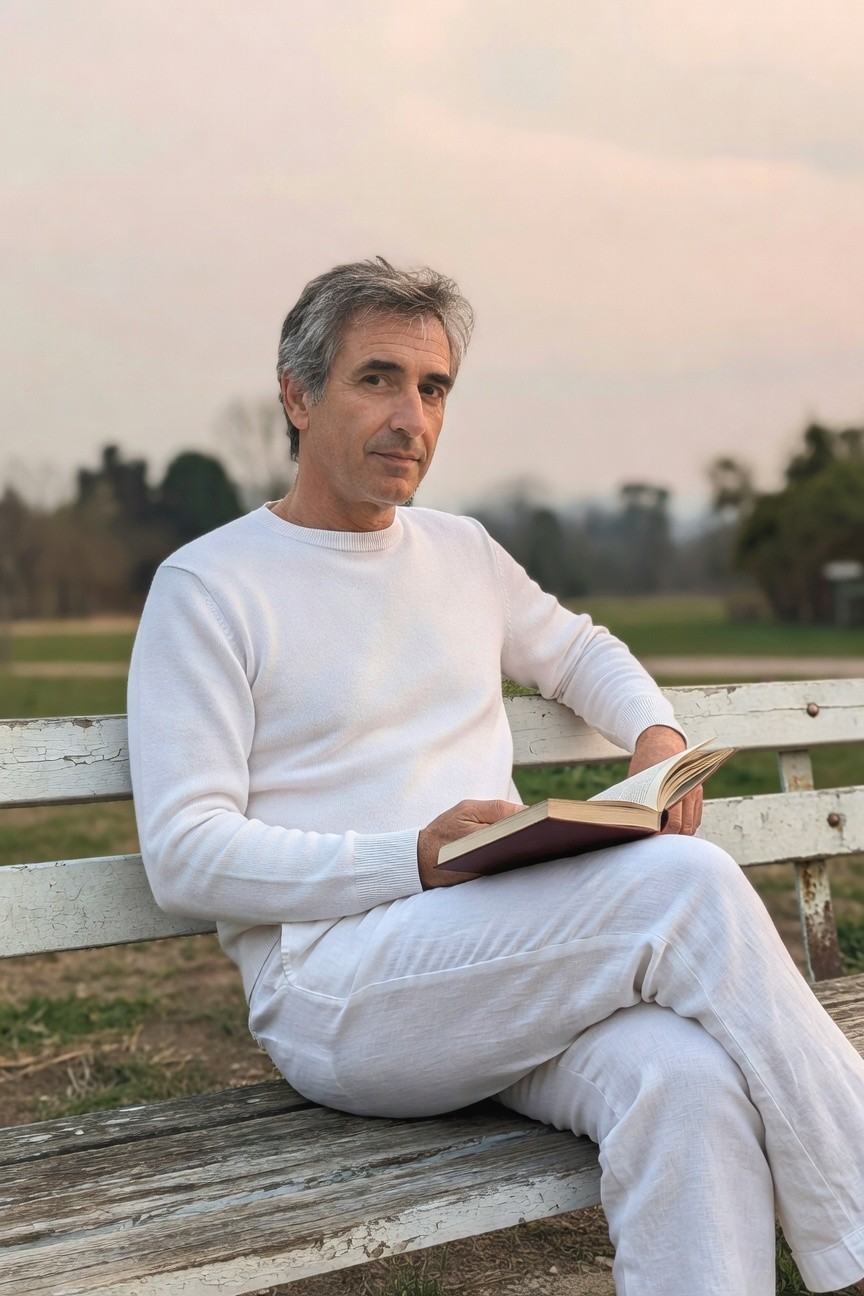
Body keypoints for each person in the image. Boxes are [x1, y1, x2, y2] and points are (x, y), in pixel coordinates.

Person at [128, 257, 864, 1296]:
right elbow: (186, 856)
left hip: (501, 968)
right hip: (338, 992)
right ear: (297, 397)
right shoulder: (209, 587)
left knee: (684, 1081)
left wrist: (653, 731)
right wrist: (414, 857)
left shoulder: (461, 553)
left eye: (434, 389)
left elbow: (578, 651)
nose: (411, 418)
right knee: (683, 885)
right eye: (377, 379)